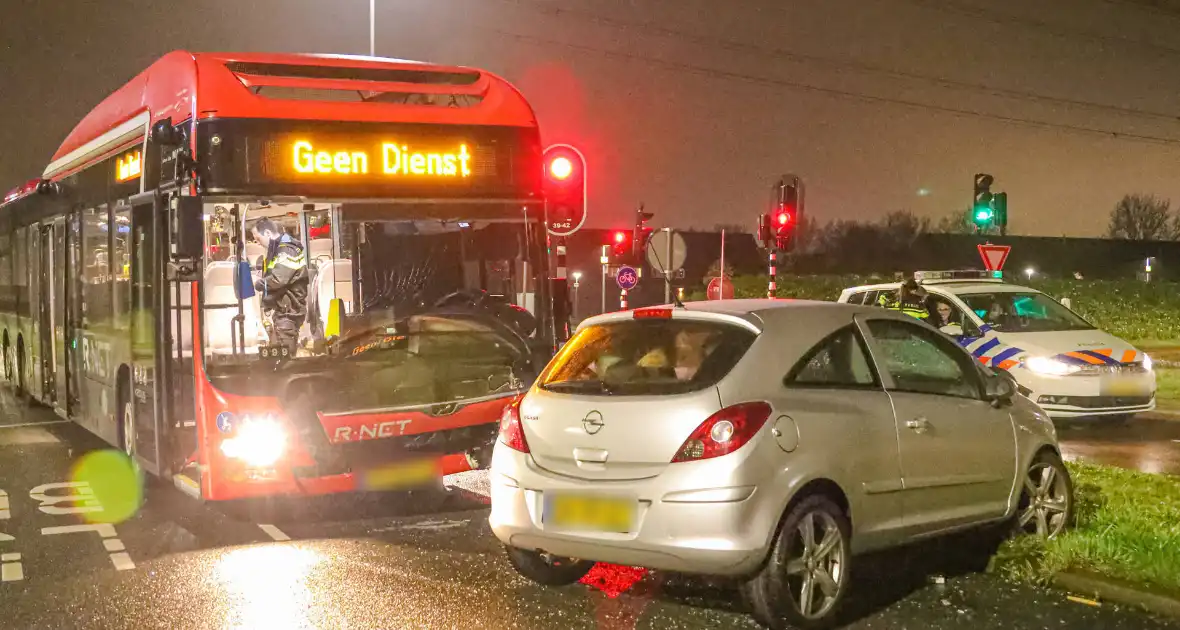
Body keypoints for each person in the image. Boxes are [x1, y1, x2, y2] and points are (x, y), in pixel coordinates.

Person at [251, 218, 309, 354]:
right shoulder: (279, 250)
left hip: (288, 313)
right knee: (278, 356)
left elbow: (278, 279)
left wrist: (259, 283)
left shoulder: (286, 251)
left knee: (285, 360)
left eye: (258, 239)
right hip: (284, 311)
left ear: (267, 233)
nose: (258, 243)